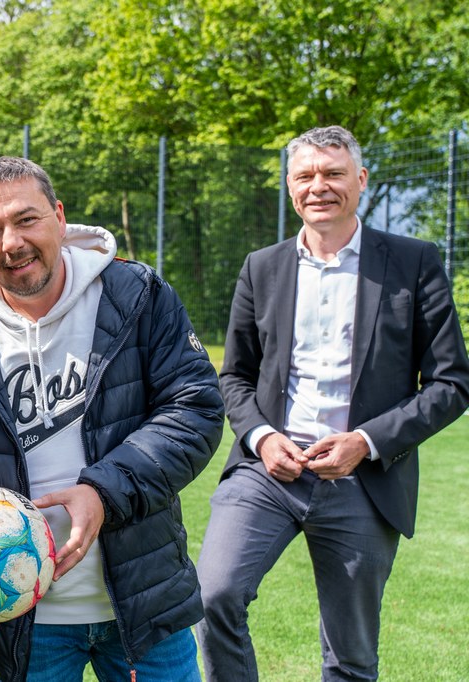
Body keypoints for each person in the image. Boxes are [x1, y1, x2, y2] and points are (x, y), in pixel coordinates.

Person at [0, 156, 225, 681]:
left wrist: (102, 492)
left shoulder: (138, 296)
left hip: (144, 603)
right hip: (24, 619)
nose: (12, 243)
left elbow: (195, 408)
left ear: (58, 216)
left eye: (26, 219)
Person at [196, 125, 469, 681]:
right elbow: (236, 377)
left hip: (362, 478)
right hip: (267, 470)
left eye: (333, 173)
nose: (318, 185)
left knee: (350, 656)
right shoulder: (261, 267)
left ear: (360, 181)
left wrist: (366, 442)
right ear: (290, 187)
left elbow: (451, 381)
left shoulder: (415, 262)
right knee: (212, 596)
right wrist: (262, 437)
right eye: (305, 175)